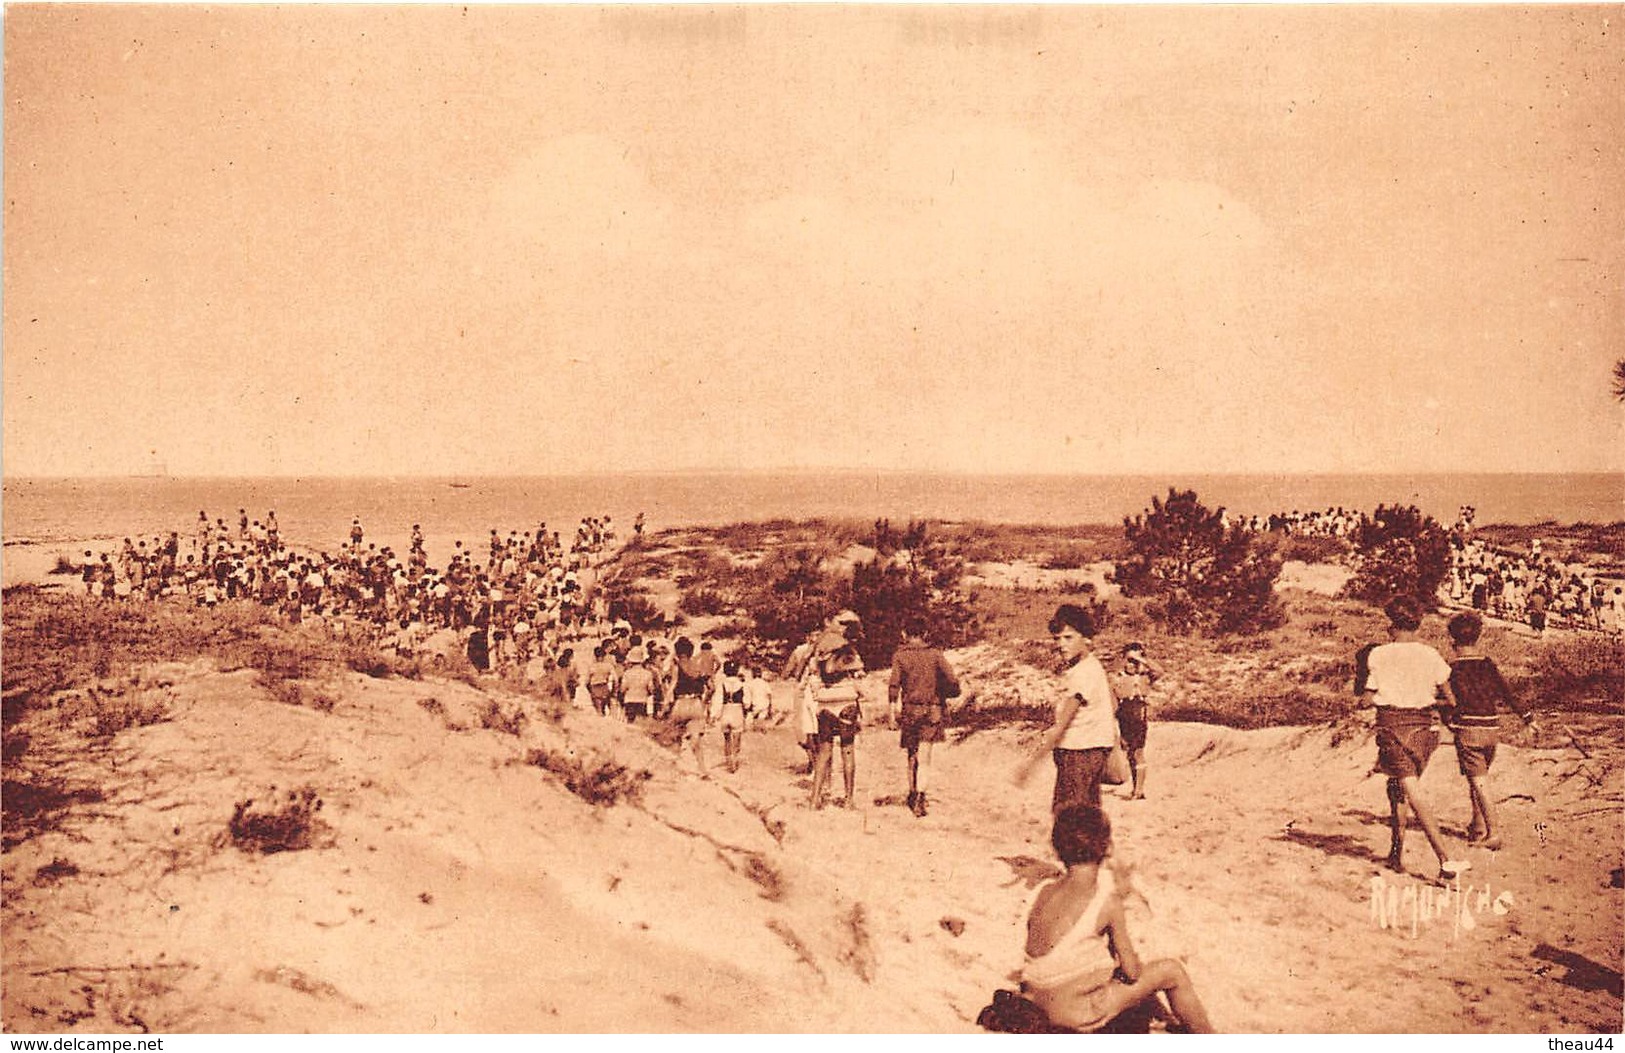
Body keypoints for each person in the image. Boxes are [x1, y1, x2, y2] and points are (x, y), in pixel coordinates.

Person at [1021, 805, 1215, 1033]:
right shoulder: (1106, 902)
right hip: (1075, 1012)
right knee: (1171, 971)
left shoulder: (1042, 891)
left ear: (1056, 850)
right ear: (1108, 848)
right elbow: (1132, 973)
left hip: (1036, 1000)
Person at [1360, 595, 1466, 884]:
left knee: (1409, 790)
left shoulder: (1379, 654)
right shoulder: (1430, 654)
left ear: (1393, 624)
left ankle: (1445, 859)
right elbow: (1451, 699)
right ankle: (1396, 853)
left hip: (1393, 728)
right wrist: (1424, 700)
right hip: (1425, 731)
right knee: (1398, 786)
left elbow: (1367, 699)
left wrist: (1377, 698)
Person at [1442, 612, 1536, 851]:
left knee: (1479, 783)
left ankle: (1493, 832)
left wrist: (1447, 720)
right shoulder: (1487, 664)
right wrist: (1527, 718)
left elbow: (1447, 702)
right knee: (1478, 779)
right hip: (1492, 728)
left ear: (1452, 641)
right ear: (1478, 637)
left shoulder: (1450, 669)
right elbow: (1507, 693)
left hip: (1468, 729)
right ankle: (1477, 826)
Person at [1015, 604, 1116, 813]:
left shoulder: (1082, 673)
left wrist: (1031, 763)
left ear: (1085, 638)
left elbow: (1063, 724)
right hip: (1094, 750)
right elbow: (1112, 704)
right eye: (1057, 638)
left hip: (1078, 753)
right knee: (1089, 815)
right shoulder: (1093, 666)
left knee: (1067, 815)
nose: (1061, 644)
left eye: (1068, 638)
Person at [888, 620, 960, 817]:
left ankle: (912, 793)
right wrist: (946, 693)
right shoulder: (935, 655)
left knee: (912, 754)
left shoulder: (900, 656)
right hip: (932, 709)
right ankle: (920, 797)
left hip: (910, 709)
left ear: (905, 634)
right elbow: (952, 680)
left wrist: (892, 711)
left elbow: (894, 684)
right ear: (926, 633)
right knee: (926, 755)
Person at [806, 610, 867, 809]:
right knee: (847, 751)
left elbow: (813, 675)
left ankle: (814, 800)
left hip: (825, 705)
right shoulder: (846, 647)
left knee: (824, 753)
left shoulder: (818, 646)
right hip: (845, 702)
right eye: (840, 623)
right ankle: (848, 801)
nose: (842, 627)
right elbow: (857, 671)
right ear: (830, 622)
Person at [1113, 642, 1163, 800]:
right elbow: (1112, 700)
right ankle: (1136, 788)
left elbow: (1159, 671)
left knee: (1138, 753)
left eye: (1135, 661)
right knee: (1129, 754)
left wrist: (1142, 659)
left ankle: (1139, 790)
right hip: (1123, 715)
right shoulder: (1118, 678)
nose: (1131, 664)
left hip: (1139, 715)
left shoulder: (1145, 677)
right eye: (1129, 660)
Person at [668, 637, 714, 777]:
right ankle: (702, 769)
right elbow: (712, 688)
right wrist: (705, 701)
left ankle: (674, 770)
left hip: (680, 703)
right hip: (696, 704)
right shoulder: (699, 666)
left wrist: (665, 703)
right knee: (696, 741)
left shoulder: (676, 666)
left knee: (676, 738)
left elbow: (673, 685)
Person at [713, 659, 749, 774]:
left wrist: (715, 715)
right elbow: (747, 702)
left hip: (726, 711)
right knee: (737, 738)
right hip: (737, 711)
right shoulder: (742, 685)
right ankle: (735, 759)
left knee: (727, 738)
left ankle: (729, 761)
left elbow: (718, 701)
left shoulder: (722, 685)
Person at [618, 645, 661, 723]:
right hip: (642, 700)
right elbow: (651, 689)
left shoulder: (627, 673)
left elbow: (622, 689)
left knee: (630, 723)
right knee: (641, 723)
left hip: (629, 700)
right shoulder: (648, 674)